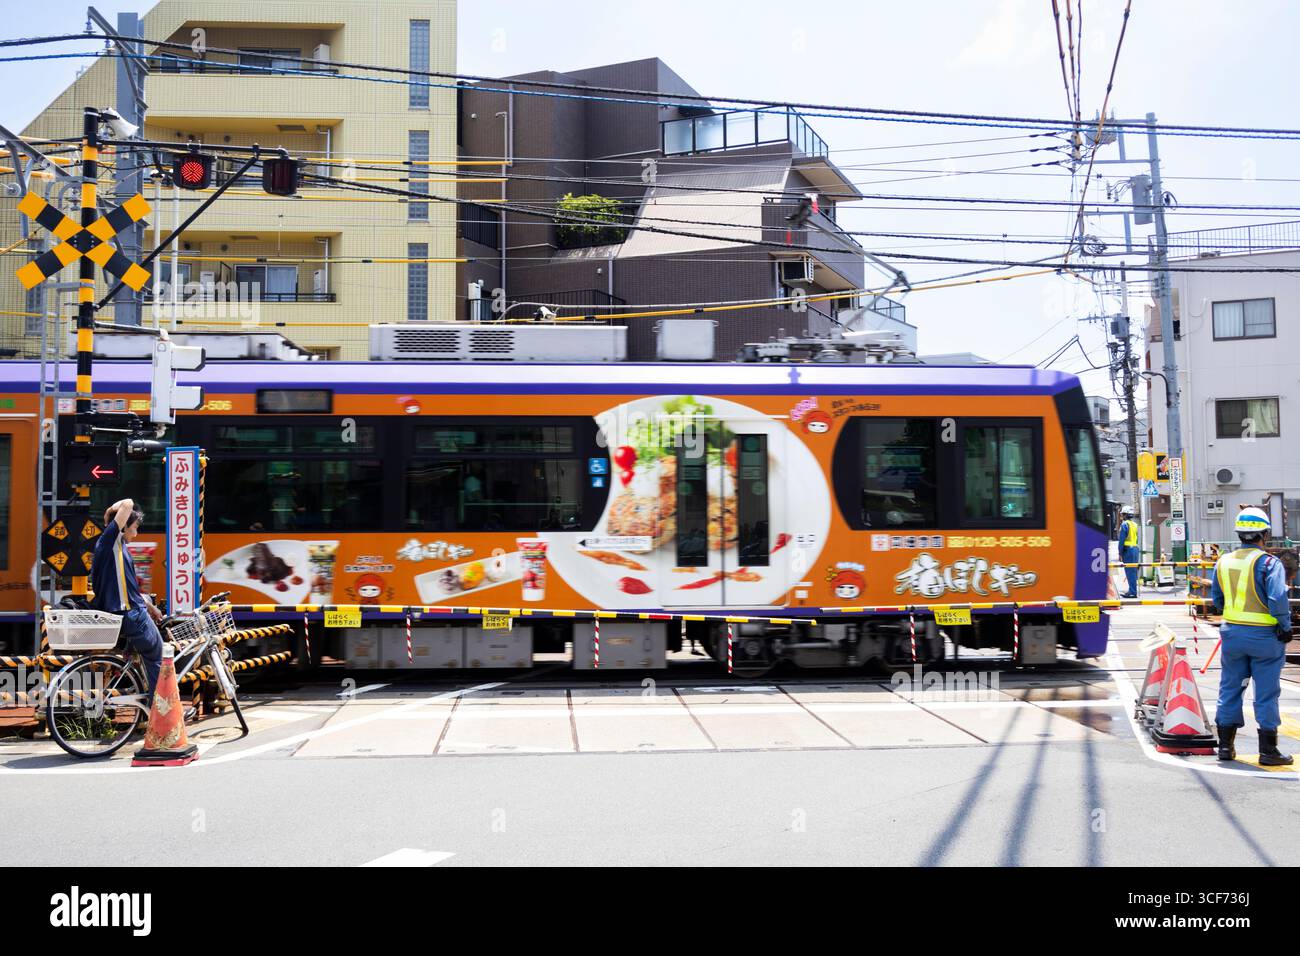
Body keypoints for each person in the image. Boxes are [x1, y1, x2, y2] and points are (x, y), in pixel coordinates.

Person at [1210, 506, 1293, 766]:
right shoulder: (1269, 563)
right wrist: (1285, 625)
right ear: (1264, 534)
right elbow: (1278, 598)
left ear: (1239, 534)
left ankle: (1225, 746)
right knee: (1266, 693)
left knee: (1230, 687)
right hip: (1265, 638)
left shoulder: (1223, 560)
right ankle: (1268, 750)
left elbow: (1217, 599)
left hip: (1232, 634)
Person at [90, 498, 165, 700]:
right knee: (158, 656)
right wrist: (116, 511)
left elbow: (129, 588)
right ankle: (161, 713)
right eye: (134, 527)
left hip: (129, 611)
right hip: (131, 614)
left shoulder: (113, 546)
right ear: (123, 528)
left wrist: (150, 607)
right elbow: (129, 503)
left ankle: (146, 703)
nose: (136, 533)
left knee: (145, 657)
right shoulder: (111, 542)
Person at [1116, 506, 1140, 599]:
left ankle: (1132, 592)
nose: (1122, 516)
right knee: (1133, 571)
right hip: (1135, 549)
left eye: (1122, 514)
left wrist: (1120, 553)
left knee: (1129, 571)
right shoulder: (1134, 524)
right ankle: (1133, 590)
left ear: (1125, 515)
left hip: (1128, 550)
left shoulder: (1124, 524)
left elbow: (1121, 540)